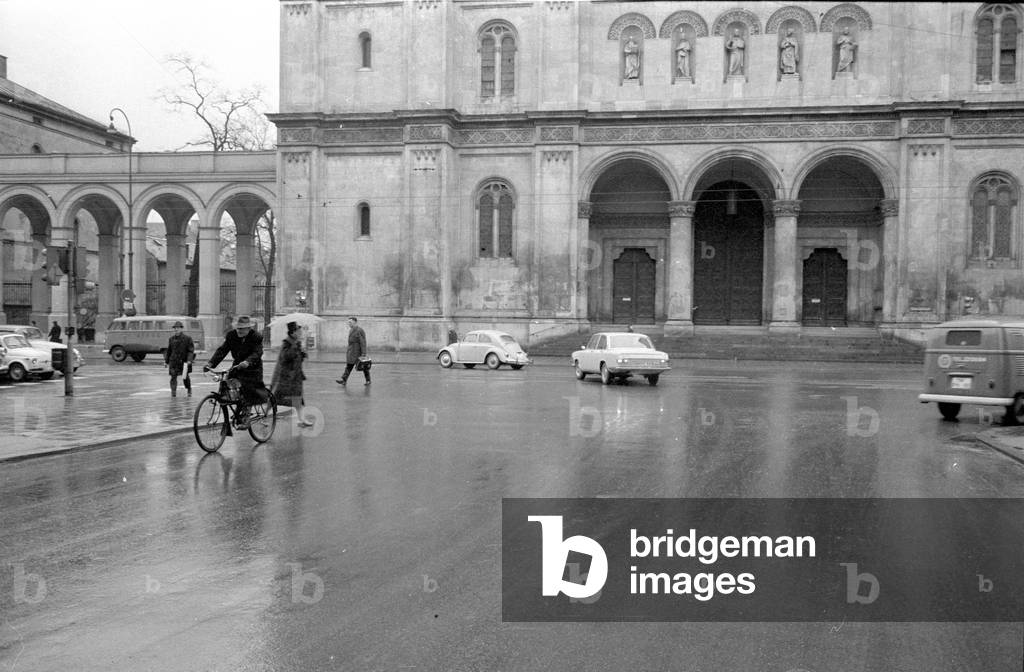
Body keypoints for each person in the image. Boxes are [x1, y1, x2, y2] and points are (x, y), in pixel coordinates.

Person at [205, 315, 267, 426]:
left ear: (248, 328)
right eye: (238, 328)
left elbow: (257, 353)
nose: (239, 330)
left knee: (247, 387)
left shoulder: (256, 337)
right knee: (228, 384)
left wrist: (247, 362)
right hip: (237, 366)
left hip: (253, 368)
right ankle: (239, 409)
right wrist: (211, 363)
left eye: (242, 328)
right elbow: (222, 350)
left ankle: (247, 414)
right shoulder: (231, 336)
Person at [271, 321, 313, 427]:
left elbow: (297, 359)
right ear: (293, 332)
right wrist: (295, 348)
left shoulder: (296, 343)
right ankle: (264, 416)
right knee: (275, 397)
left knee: (298, 398)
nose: (300, 333)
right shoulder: (287, 343)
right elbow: (285, 357)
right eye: (298, 331)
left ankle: (301, 420)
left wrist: (303, 354)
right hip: (286, 376)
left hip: (296, 375)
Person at [164, 320, 195, 397]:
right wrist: (166, 361)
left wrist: (189, 360)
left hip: (184, 362)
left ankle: (189, 389)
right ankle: (173, 392)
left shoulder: (187, 339)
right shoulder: (171, 339)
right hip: (174, 362)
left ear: (181, 329)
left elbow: (190, 351)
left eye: (178, 328)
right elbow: (169, 351)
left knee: (185, 378)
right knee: (173, 377)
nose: (176, 329)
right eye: (175, 328)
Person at [336, 316, 370, 386]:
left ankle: (368, 380)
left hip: (358, 352)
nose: (349, 324)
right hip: (351, 352)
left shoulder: (359, 330)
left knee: (364, 367)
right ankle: (344, 380)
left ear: (355, 322)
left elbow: (363, 342)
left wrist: (363, 353)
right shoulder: (351, 330)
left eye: (350, 322)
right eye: (348, 322)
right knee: (349, 366)